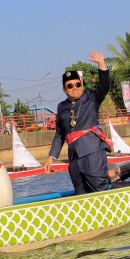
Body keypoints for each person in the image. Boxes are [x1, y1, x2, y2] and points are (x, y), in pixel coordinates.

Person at [45, 52, 111, 194]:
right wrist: (52, 156)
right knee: (80, 194)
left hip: (92, 153)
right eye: (70, 86)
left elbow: (104, 86)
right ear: (64, 89)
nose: (74, 87)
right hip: (74, 158)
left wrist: (101, 64)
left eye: (77, 84)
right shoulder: (61, 106)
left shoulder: (92, 97)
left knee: (99, 191)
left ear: (81, 84)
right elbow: (59, 134)